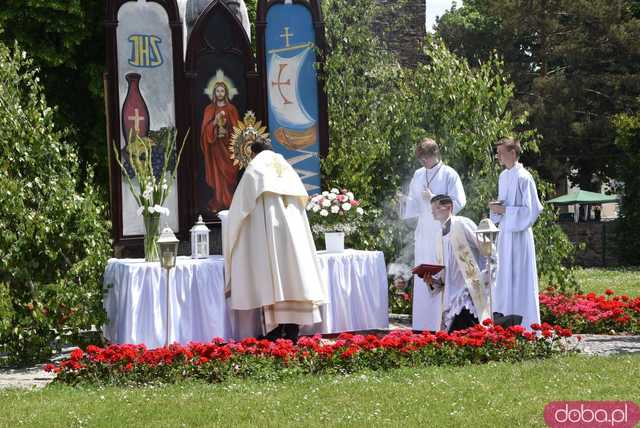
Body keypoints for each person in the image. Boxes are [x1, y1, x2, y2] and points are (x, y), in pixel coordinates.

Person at [223, 139, 328, 342]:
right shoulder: (287, 167)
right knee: (294, 275)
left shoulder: (256, 167)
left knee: (275, 277)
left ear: (253, 153)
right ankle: (291, 330)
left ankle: (275, 330)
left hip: (270, 230)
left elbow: (239, 208)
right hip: (294, 233)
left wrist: (233, 230)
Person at [403, 138, 466, 331]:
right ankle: (422, 324)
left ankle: (440, 322)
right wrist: (404, 202)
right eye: (420, 159)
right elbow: (414, 201)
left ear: (434, 154)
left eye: (425, 158)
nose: (423, 162)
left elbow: (459, 201)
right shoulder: (418, 174)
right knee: (423, 272)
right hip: (423, 230)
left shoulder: (449, 174)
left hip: (441, 230)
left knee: (439, 271)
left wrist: (434, 199)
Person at [489, 137, 543, 330]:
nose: (498, 157)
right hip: (505, 234)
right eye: (497, 153)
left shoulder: (524, 177)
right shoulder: (503, 176)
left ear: (513, 153)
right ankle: (505, 322)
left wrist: (505, 212)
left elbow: (532, 210)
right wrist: (496, 208)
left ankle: (527, 326)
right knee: (504, 278)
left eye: (501, 153)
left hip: (520, 237)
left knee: (520, 278)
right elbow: (504, 205)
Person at [424, 195, 492, 332]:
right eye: (432, 209)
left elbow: (488, 250)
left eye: (436, 207)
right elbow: (443, 276)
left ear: (449, 207)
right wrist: (432, 281)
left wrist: (486, 275)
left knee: (468, 339)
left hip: (468, 294)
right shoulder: (438, 236)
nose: (433, 212)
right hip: (450, 298)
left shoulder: (462, 224)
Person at [200, 80, 240, 212]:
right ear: (214, 93)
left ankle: (230, 202)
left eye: (222, 90)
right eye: (217, 91)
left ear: (226, 92)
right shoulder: (209, 109)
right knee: (218, 176)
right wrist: (215, 124)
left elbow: (237, 130)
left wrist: (227, 131)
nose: (220, 93)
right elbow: (205, 131)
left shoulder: (231, 109)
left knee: (228, 178)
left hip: (228, 148)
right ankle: (218, 201)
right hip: (215, 149)